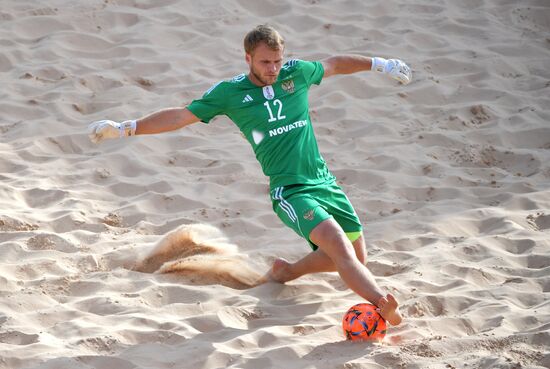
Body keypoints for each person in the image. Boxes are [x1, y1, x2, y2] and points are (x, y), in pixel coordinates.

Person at [88, 24, 411, 326]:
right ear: (248, 59)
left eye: (277, 61)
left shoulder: (296, 73)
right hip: (291, 191)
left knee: (355, 259)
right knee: (338, 247)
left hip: (325, 182)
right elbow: (181, 116)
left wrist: (381, 64)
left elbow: (335, 63)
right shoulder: (229, 93)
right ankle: (383, 304)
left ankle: (286, 272)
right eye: (265, 62)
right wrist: (127, 128)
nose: (273, 68)